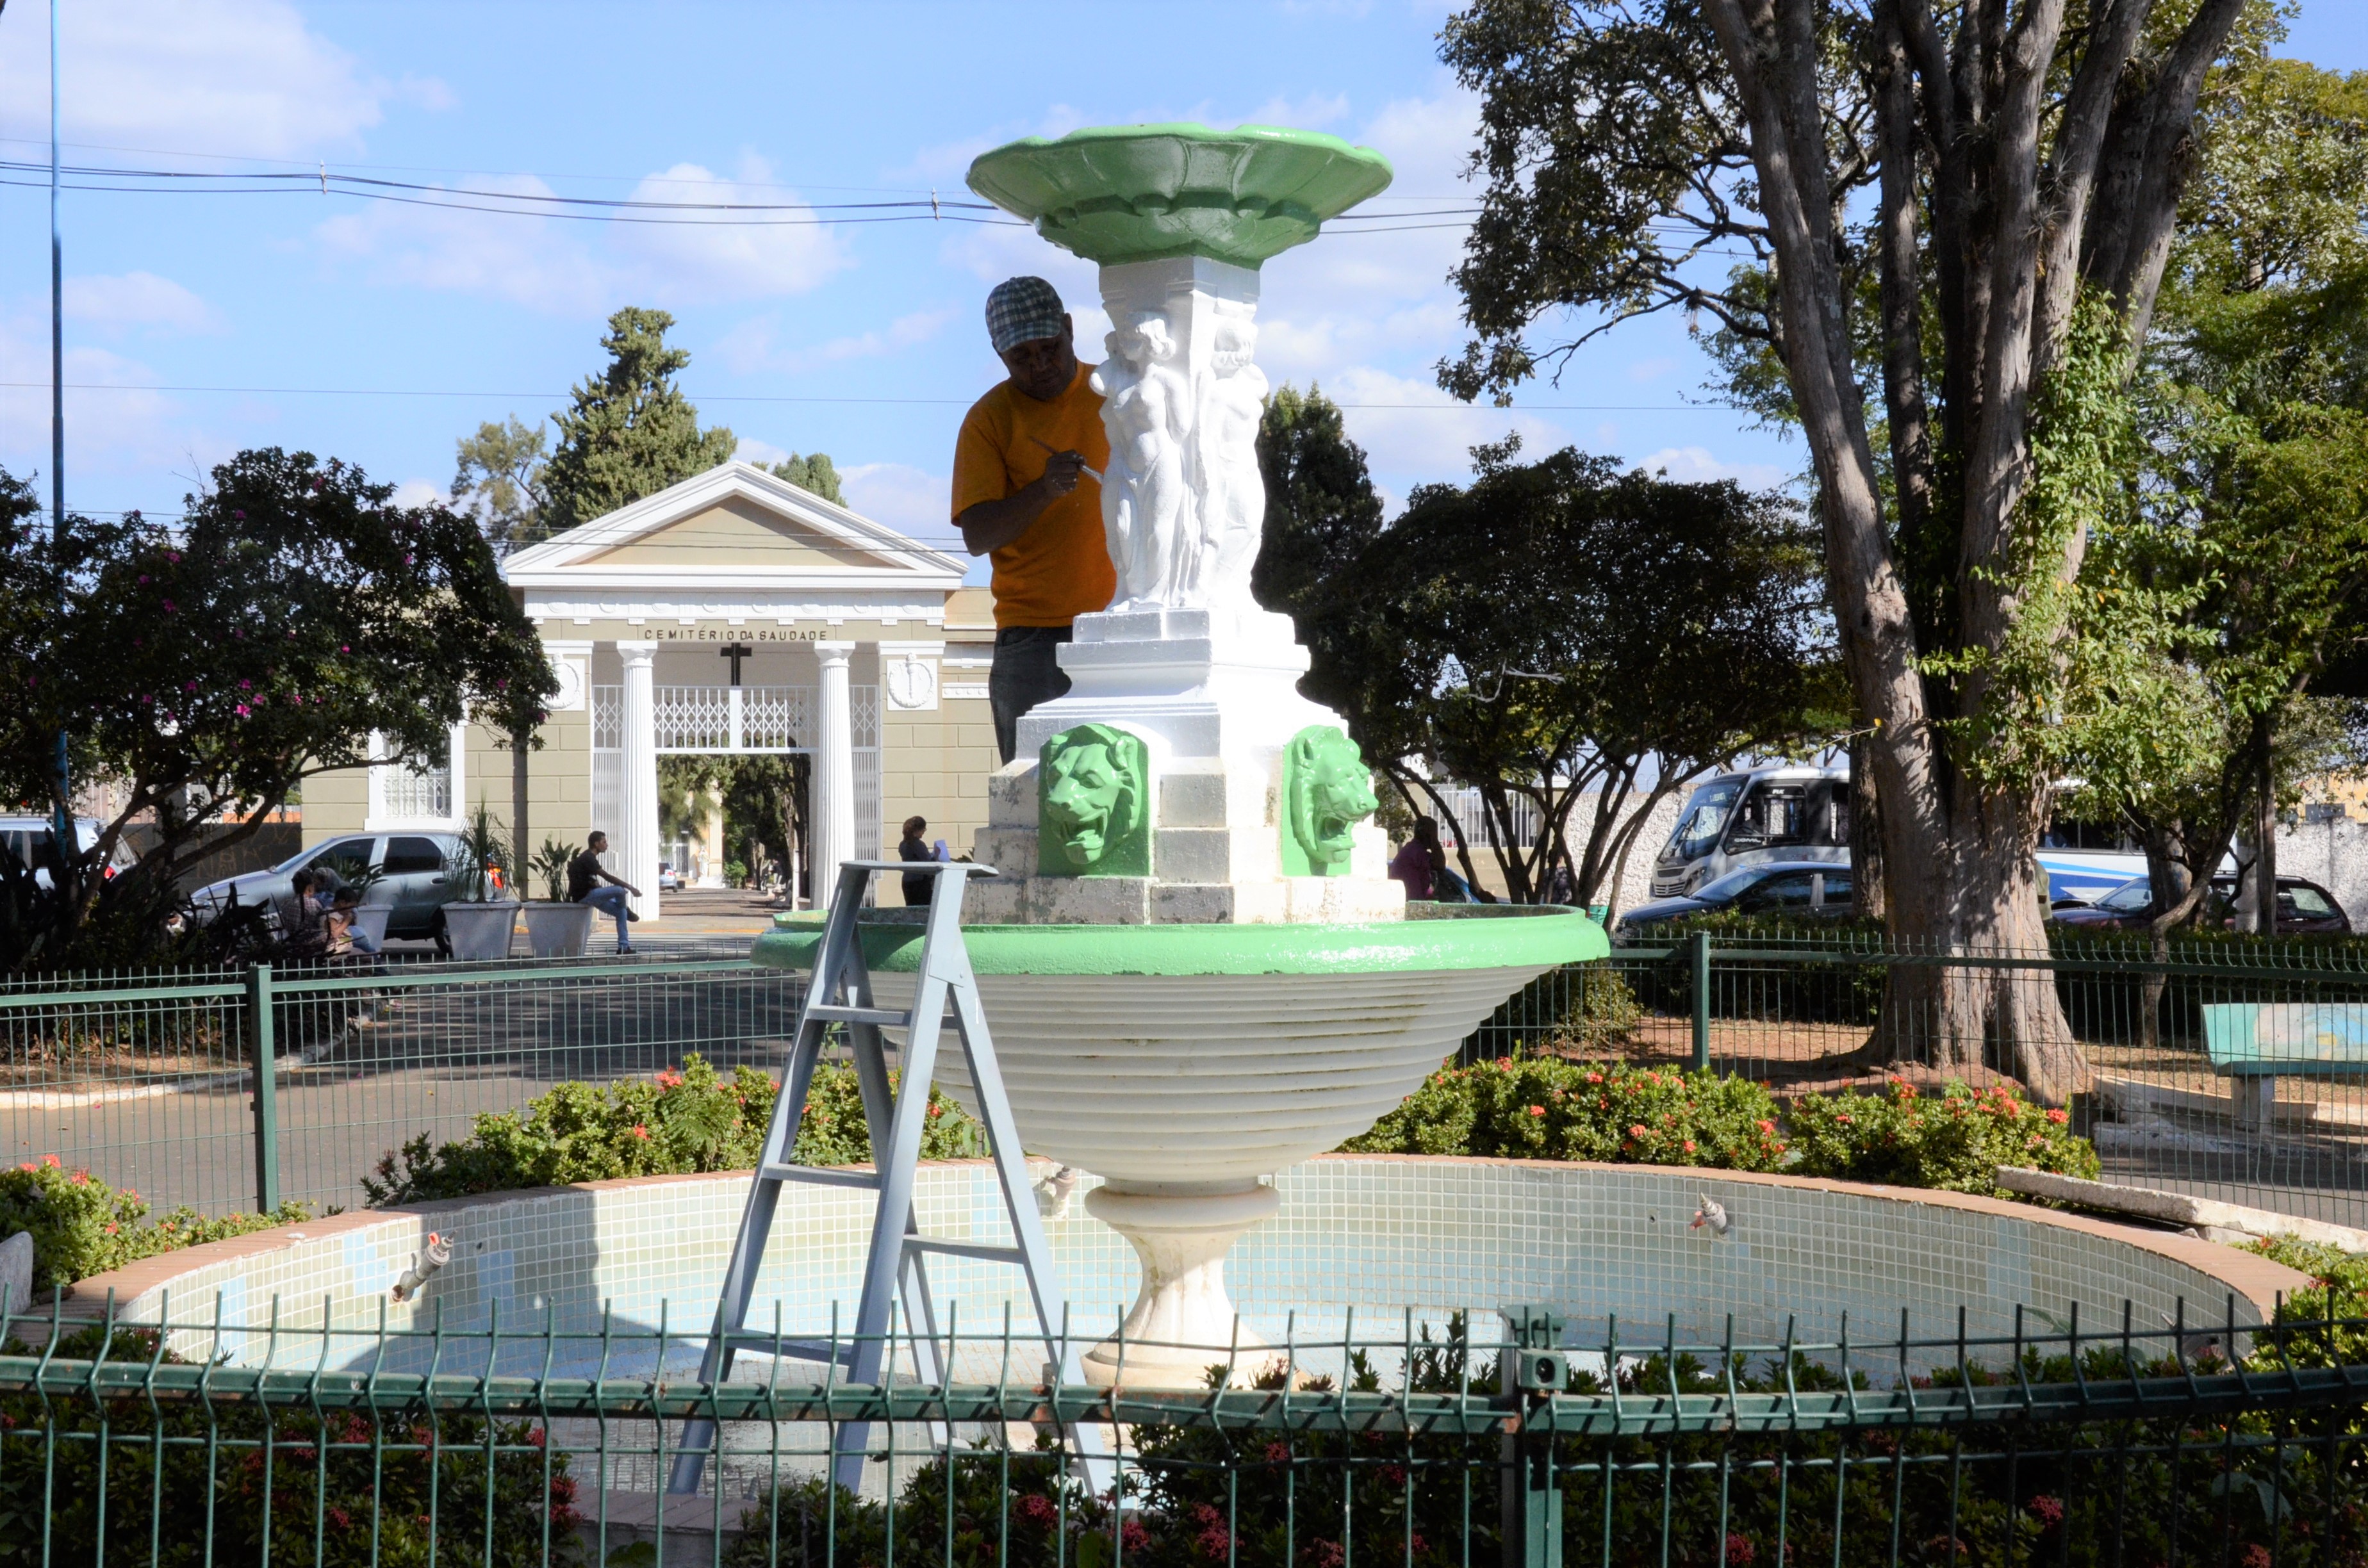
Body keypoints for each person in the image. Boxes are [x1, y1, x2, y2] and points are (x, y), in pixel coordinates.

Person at [952, 275, 1117, 764]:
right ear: (999, 355)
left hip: (1118, 624)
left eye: (1050, 348)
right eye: (1021, 358)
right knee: (1033, 796)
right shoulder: (988, 421)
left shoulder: (1116, 394)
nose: (1041, 365)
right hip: (1032, 640)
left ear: (1069, 329)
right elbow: (978, 535)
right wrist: (1044, 490)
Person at [568, 831, 643, 953]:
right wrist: (631, 887)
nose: (607, 845)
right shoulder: (588, 858)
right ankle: (626, 908)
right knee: (620, 890)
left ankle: (623, 947)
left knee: (621, 913)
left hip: (592, 895)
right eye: (604, 842)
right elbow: (607, 877)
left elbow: (593, 882)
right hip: (585, 896)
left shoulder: (589, 857)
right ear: (596, 844)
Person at [1388, 817, 1442, 902]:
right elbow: (1440, 865)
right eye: (1433, 834)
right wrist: (1434, 842)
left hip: (1408, 901)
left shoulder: (1412, 850)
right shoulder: (1416, 853)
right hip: (1409, 904)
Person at [898, 815, 937, 907]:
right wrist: (936, 855)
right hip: (920, 881)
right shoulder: (918, 844)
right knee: (924, 908)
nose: (923, 832)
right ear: (918, 830)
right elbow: (928, 862)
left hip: (907, 881)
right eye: (923, 830)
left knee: (911, 908)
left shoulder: (903, 844)